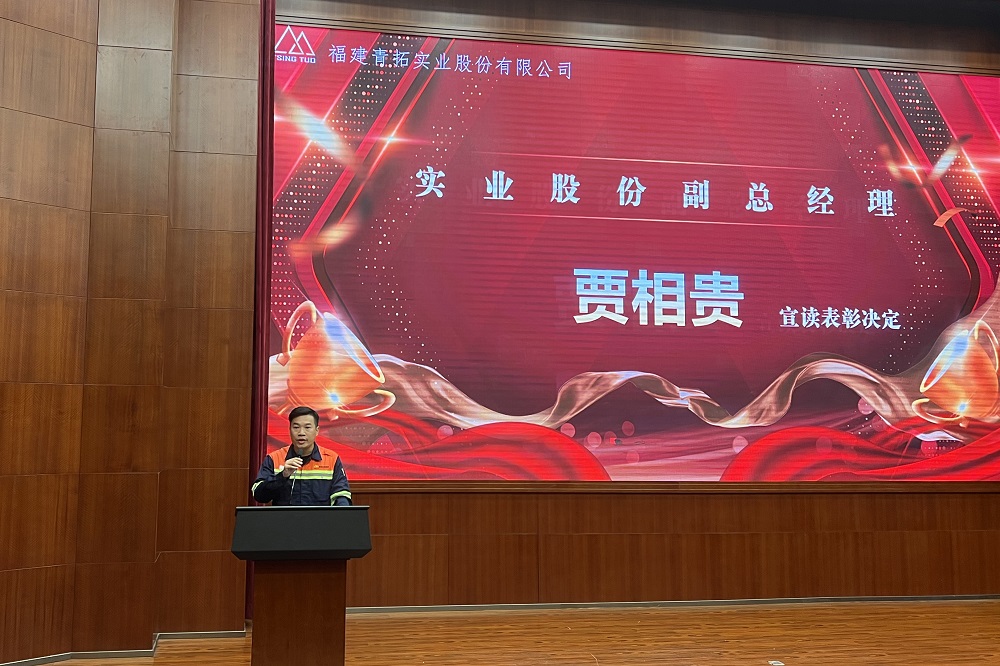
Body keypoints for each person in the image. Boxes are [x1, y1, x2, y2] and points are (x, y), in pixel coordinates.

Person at [252, 406, 352, 506]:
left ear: (317, 430)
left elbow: (341, 494)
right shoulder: (274, 458)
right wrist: (282, 476)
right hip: (285, 516)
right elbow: (259, 495)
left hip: (320, 516)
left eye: (307, 427)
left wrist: (342, 511)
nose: (301, 433)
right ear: (289, 430)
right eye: (296, 427)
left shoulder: (331, 459)